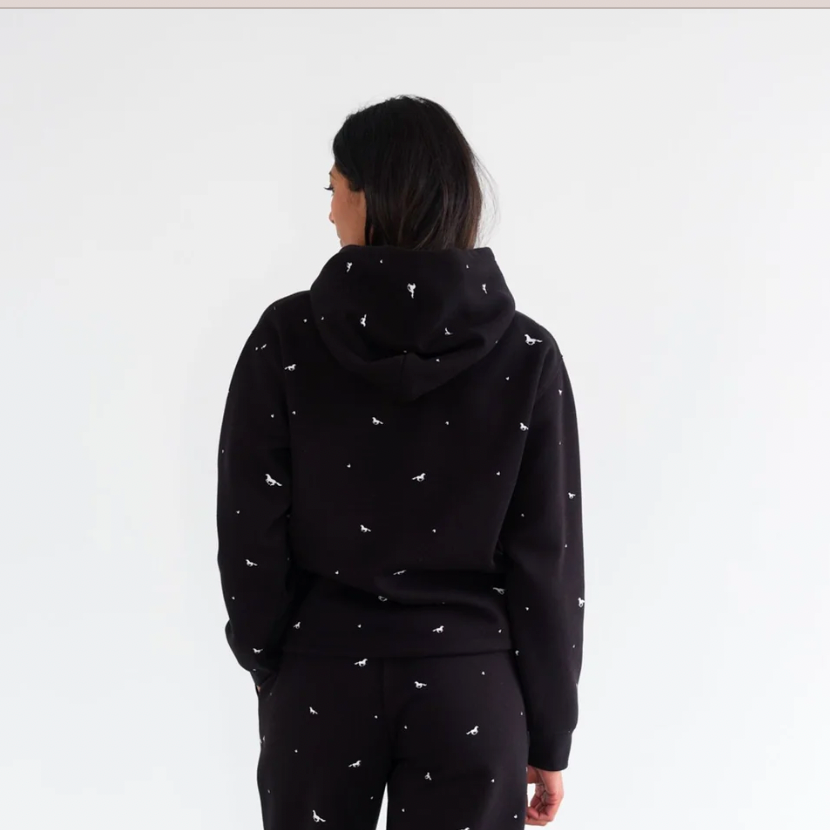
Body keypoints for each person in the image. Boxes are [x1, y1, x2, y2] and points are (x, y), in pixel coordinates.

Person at [216, 94, 585, 829]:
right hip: (471, 688)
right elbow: (546, 558)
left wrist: (272, 660)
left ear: (370, 195)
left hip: (321, 676)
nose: (329, 212)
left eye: (333, 188)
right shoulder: (527, 354)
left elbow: (250, 528)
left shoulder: (286, 338)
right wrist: (549, 730)